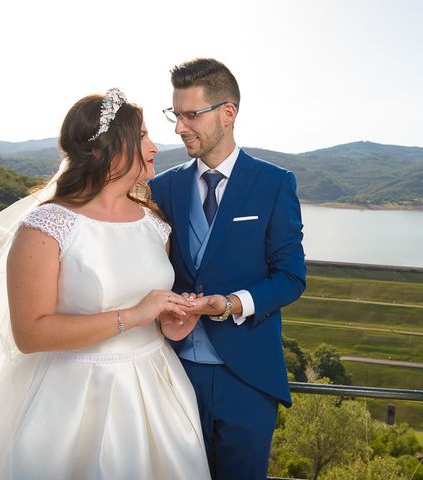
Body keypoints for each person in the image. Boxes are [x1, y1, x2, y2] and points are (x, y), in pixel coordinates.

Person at [0, 89, 211, 479]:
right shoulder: (46, 227)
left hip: (155, 391)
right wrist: (135, 314)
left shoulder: (154, 224)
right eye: (141, 136)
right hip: (71, 398)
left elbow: (150, 315)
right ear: (104, 148)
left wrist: (169, 323)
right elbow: (30, 333)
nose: (155, 146)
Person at [149, 58, 306, 480]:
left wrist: (233, 303)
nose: (179, 127)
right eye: (175, 115)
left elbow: (291, 277)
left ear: (227, 113)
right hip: (173, 372)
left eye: (190, 115)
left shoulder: (274, 184)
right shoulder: (161, 188)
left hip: (248, 378)